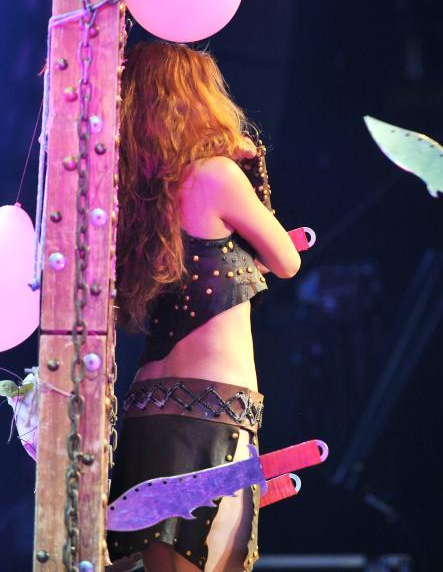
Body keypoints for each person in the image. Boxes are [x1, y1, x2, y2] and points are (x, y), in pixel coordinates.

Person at [107, 41, 301, 572]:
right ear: (196, 100)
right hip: (211, 414)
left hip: (146, 410)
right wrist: (254, 166)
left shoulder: (137, 199)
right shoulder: (215, 174)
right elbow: (285, 261)